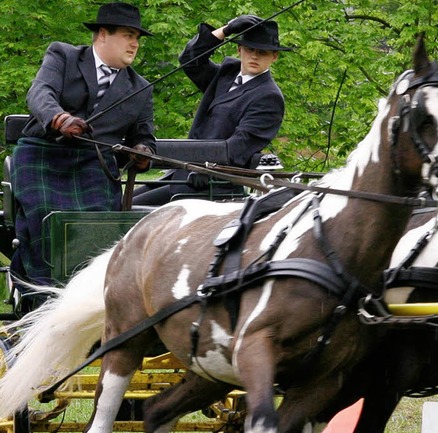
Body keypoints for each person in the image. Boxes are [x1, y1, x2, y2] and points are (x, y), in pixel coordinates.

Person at [10, 2, 156, 293]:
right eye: (128, 35)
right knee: (46, 217)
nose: (134, 43)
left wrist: (142, 154)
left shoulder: (141, 88)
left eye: (137, 38)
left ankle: (87, 296)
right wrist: (59, 118)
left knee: (97, 225)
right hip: (42, 153)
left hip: (94, 165)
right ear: (103, 34)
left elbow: (144, 136)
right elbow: (40, 92)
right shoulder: (63, 55)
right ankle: (38, 293)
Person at [132, 15, 291, 206]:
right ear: (239, 49)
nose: (255, 56)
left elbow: (237, 148)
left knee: (126, 215)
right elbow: (190, 60)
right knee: (121, 205)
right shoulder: (226, 74)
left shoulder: (268, 97)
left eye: (263, 52)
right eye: (250, 49)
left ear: (274, 56)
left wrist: (208, 169)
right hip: (181, 174)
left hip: (212, 184)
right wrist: (225, 30)